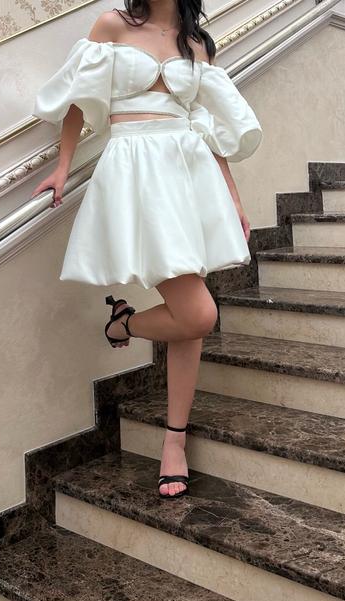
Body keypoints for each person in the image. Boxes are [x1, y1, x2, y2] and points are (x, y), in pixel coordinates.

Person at [30, 0, 262, 499]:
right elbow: (78, 96)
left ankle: (174, 440)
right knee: (198, 314)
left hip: (189, 174)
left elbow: (206, 125)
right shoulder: (114, 25)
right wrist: (63, 167)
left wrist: (233, 197)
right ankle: (124, 325)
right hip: (135, 171)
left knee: (190, 316)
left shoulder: (197, 43)